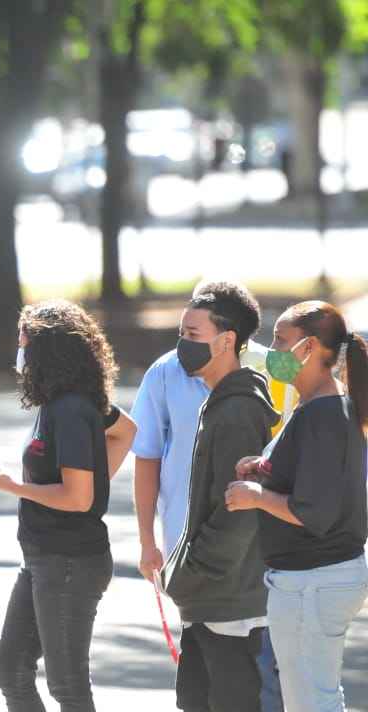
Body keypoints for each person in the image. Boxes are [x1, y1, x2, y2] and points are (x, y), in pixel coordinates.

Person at [130, 281, 286, 712]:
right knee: (195, 700)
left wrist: (191, 570)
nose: (183, 345)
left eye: (193, 335)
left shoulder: (238, 410)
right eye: (181, 334)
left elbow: (237, 513)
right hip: (210, 601)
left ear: (227, 341)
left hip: (228, 602)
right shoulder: (220, 401)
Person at [226, 301, 368, 712]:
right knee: (313, 696)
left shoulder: (323, 413)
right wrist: (263, 466)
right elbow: (316, 477)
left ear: (308, 349)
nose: (272, 350)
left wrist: (255, 497)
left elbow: (314, 512)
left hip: (313, 580)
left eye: (281, 341)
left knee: (310, 701)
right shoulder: (319, 405)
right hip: (312, 579)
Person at [0, 300, 123, 712]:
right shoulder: (60, 401)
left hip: (69, 561)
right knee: (10, 671)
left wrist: (15, 487)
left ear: (47, 349)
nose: (19, 349)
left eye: (23, 340)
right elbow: (125, 433)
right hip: (42, 558)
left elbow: (78, 498)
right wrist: (91, 481)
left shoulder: (71, 409)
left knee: (67, 686)